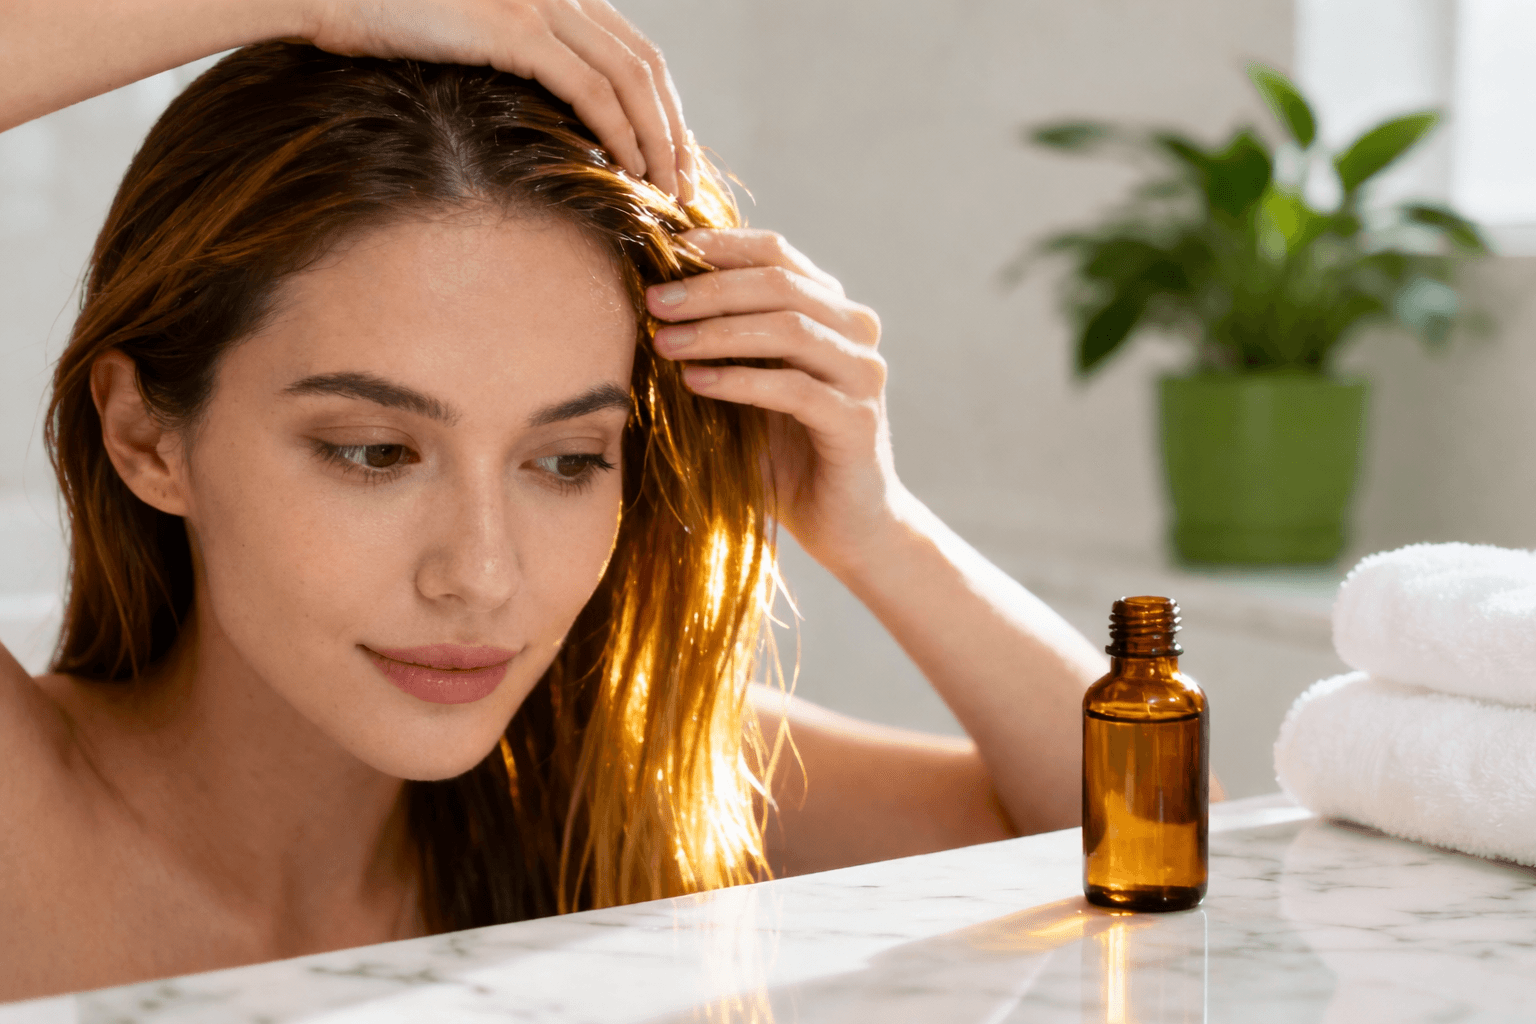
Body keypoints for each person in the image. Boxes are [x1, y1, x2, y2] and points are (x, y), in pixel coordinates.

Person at [0, 0, 1126, 1004]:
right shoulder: (25, 816)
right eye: (375, 450)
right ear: (148, 437)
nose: (481, 575)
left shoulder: (610, 782)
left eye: (568, 460)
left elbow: (1148, 835)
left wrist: (878, 526)